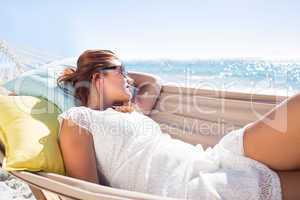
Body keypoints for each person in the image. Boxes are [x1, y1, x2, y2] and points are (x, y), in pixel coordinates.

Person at [56, 50, 299, 200]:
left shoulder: (131, 112)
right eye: (123, 71)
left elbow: (154, 81)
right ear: (98, 77)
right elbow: (84, 193)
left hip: (214, 159)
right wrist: (92, 74)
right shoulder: (79, 119)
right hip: (190, 189)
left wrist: (113, 73)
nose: (130, 79)